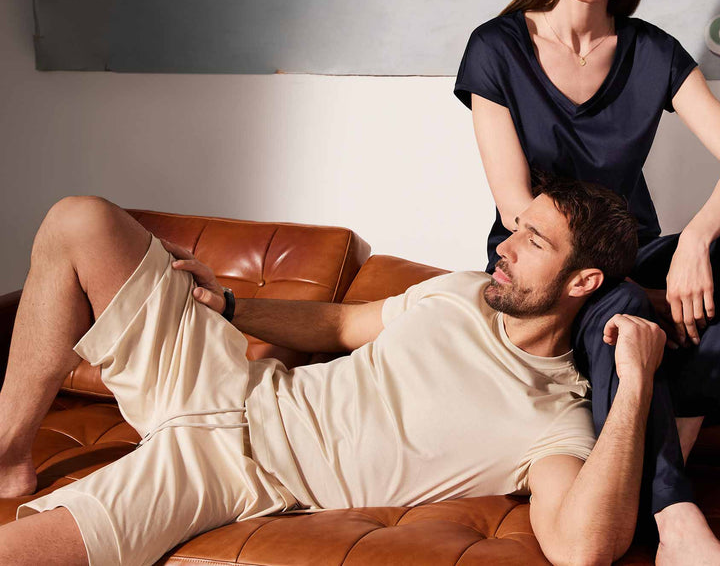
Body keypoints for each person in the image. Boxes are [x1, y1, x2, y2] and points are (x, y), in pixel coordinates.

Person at [0, 176, 666, 566]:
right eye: (517, 227)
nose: (506, 248)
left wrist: (635, 383)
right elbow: (344, 325)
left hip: (233, 471)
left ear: (583, 280)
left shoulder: (550, 417)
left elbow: (583, 548)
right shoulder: (461, 290)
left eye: (534, 241)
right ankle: (10, 453)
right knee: (79, 219)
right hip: (227, 381)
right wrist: (229, 305)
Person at [454, 0, 720, 562]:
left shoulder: (652, 52)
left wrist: (695, 240)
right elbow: (515, 206)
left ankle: (685, 415)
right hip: (550, 264)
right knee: (622, 303)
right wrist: (632, 285)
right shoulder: (496, 48)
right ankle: (675, 521)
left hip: (633, 250)